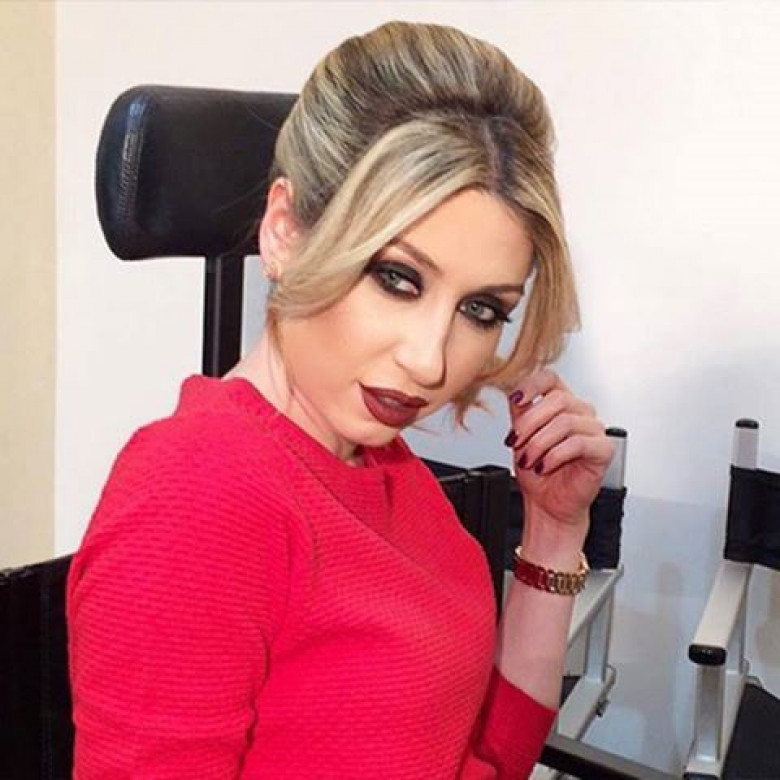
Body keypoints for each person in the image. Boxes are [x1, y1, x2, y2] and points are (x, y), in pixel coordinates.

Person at [67, 20, 614, 780]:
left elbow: (490, 758)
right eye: (397, 278)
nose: (429, 361)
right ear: (285, 233)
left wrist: (553, 534)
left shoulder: (385, 468)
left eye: (481, 309)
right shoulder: (196, 494)